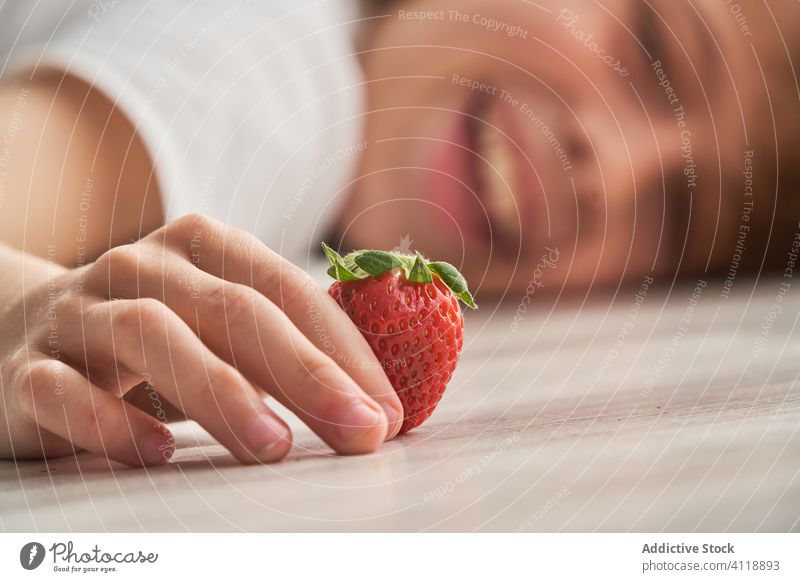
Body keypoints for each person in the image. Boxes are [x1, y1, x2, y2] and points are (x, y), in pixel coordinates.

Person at [0, 0, 797, 467]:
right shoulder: (283, 66)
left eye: (682, 212)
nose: (613, 171)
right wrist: (25, 313)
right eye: (656, 51)